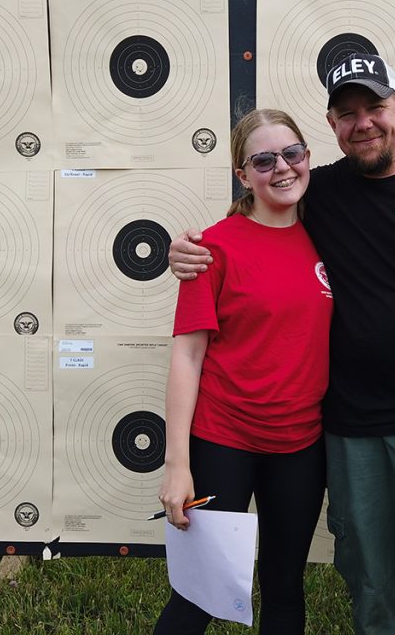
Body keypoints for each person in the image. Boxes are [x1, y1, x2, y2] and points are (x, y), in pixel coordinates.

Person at [170, 53, 395, 634]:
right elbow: (257, 223)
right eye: (347, 113)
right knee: (373, 590)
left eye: (375, 108)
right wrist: (187, 249)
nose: (363, 123)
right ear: (332, 126)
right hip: (354, 437)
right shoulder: (320, 191)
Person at [154, 109, 332, 634]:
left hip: (301, 447)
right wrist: (176, 465)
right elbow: (187, 357)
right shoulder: (212, 249)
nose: (282, 167)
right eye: (264, 159)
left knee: (284, 589)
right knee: (200, 595)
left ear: (307, 159)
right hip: (223, 442)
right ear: (242, 174)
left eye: (292, 153)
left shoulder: (329, 236)